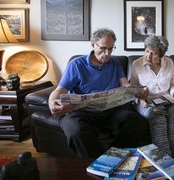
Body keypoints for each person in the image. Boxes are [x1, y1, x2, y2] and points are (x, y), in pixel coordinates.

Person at [48, 28, 148, 158]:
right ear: (92, 44)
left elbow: (125, 84)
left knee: (138, 123)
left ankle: (114, 157)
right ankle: (99, 162)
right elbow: (59, 90)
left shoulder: (115, 64)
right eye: (103, 48)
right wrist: (52, 102)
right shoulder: (77, 65)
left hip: (110, 111)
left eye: (111, 49)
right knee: (75, 131)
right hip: (82, 112)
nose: (107, 54)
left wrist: (137, 92)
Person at [130, 36, 174, 157]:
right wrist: (140, 99)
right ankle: (165, 158)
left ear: (161, 54)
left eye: (153, 53)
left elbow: (173, 84)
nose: (148, 56)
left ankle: (171, 157)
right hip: (147, 101)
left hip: (167, 99)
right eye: (147, 51)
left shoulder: (169, 62)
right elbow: (132, 90)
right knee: (157, 117)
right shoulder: (136, 64)